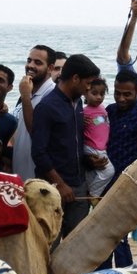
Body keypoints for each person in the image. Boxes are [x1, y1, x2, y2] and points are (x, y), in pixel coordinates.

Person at [31, 54, 101, 240]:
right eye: (88, 82)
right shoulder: (47, 107)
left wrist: (88, 161)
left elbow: (73, 143)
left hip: (78, 187)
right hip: (53, 191)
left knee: (76, 245)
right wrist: (60, 185)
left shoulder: (78, 105)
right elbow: (39, 153)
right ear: (75, 78)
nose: (90, 87)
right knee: (49, 246)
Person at [99, 69, 137, 269]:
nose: (121, 98)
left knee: (121, 235)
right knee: (105, 234)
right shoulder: (109, 112)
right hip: (107, 183)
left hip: (132, 185)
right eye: (117, 93)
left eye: (127, 94)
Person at [12, 45, 56, 181]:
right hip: (20, 173)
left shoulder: (51, 95)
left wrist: (25, 96)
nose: (30, 65)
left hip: (37, 178)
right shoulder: (28, 90)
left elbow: (34, 130)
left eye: (37, 62)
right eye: (29, 60)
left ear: (50, 68)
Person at [83, 78, 114, 202]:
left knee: (92, 174)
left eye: (101, 94)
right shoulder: (84, 112)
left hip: (101, 146)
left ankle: (88, 193)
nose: (99, 97)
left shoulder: (102, 109)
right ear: (85, 93)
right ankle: (94, 194)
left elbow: (97, 123)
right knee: (109, 170)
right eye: (94, 93)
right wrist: (81, 121)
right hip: (92, 146)